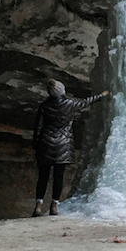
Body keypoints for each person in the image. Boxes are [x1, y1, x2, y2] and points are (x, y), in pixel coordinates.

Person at [32, 79, 108, 217]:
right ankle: (54, 205)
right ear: (61, 91)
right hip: (63, 145)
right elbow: (87, 101)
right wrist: (102, 95)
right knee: (58, 176)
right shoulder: (70, 104)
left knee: (43, 177)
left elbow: (38, 129)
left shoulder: (44, 106)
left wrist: (36, 147)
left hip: (46, 144)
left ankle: (38, 205)